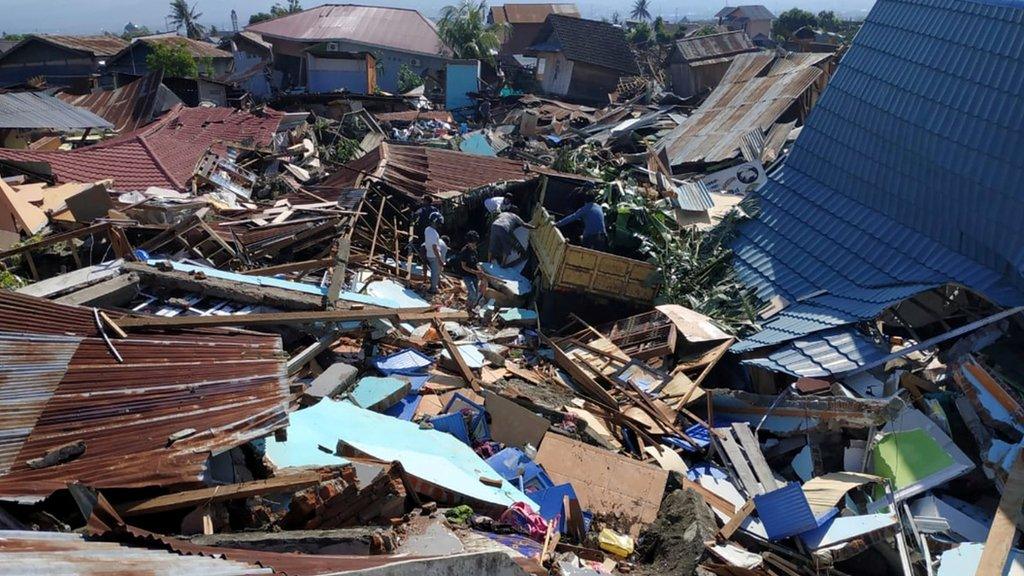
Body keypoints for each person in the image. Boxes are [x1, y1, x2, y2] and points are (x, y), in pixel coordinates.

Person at [456, 231, 485, 310]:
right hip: (466, 275)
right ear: (468, 242)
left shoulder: (475, 251)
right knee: (472, 293)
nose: (474, 245)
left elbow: (476, 263)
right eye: (472, 243)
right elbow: (464, 266)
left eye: (475, 243)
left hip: (474, 276)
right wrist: (475, 272)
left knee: (474, 294)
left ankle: (468, 308)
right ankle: (468, 307)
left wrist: (480, 271)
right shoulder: (464, 252)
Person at [423, 212, 444, 294]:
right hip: (434, 255)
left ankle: (433, 286)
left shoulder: (427, 229)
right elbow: (434, 247)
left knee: (433, 272)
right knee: (435, 273)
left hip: (429, 253)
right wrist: (439, 259)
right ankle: (433, 289)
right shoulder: (434, 233)